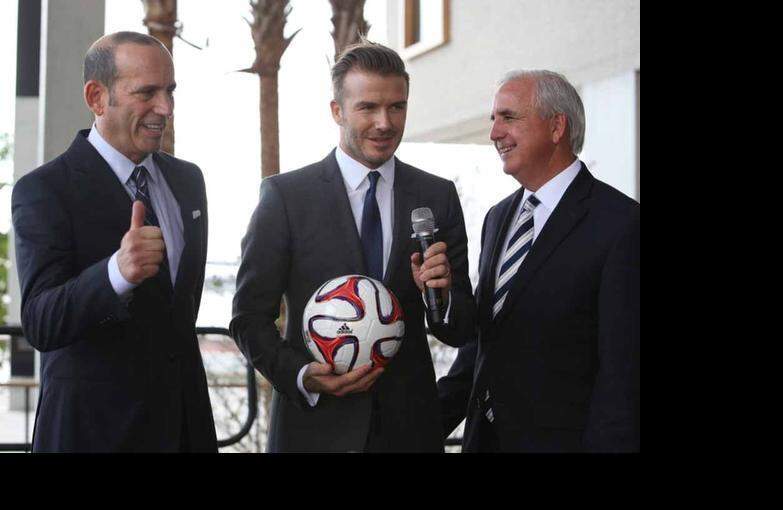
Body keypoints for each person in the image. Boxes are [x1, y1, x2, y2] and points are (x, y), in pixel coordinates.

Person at [230, 40, 475, 452]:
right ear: (337, 111)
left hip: (408, 432)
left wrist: (443, 293)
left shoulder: (437, 196)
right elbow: (248, 317)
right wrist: (303, 374)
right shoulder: (286, 197)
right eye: (368, 108)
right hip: (313, 432)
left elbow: (462, 328)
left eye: (397, 107)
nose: (385, 122)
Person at [11, 32, 216, 452]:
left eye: (170, 91)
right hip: (93, 435)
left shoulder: (188, 181)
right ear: (97, 97)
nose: (166, 108)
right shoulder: (44, 190)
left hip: (184, 429)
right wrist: (115, 274)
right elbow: (40, 322)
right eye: (147, 93)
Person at [436, 70, 640, 452]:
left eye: (509, 117)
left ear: (557, 126)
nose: (495, 133)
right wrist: (417, 427)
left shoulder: (622, 225)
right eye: (493, 119)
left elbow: (623, 377)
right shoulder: (498, 218)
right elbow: (484, 344)